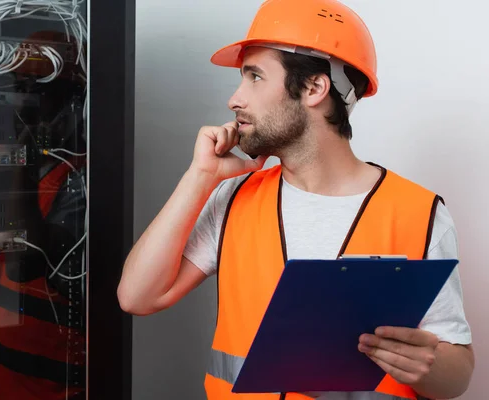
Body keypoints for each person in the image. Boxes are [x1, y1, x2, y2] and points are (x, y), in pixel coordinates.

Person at [117, 0, 474, 399]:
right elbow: (137, 296)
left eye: (254, 76)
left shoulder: (420, 213)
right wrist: (199, 177)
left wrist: (427, 366)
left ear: (313, 88)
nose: (235, 99)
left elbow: (456, 377)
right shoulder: (235, 198)